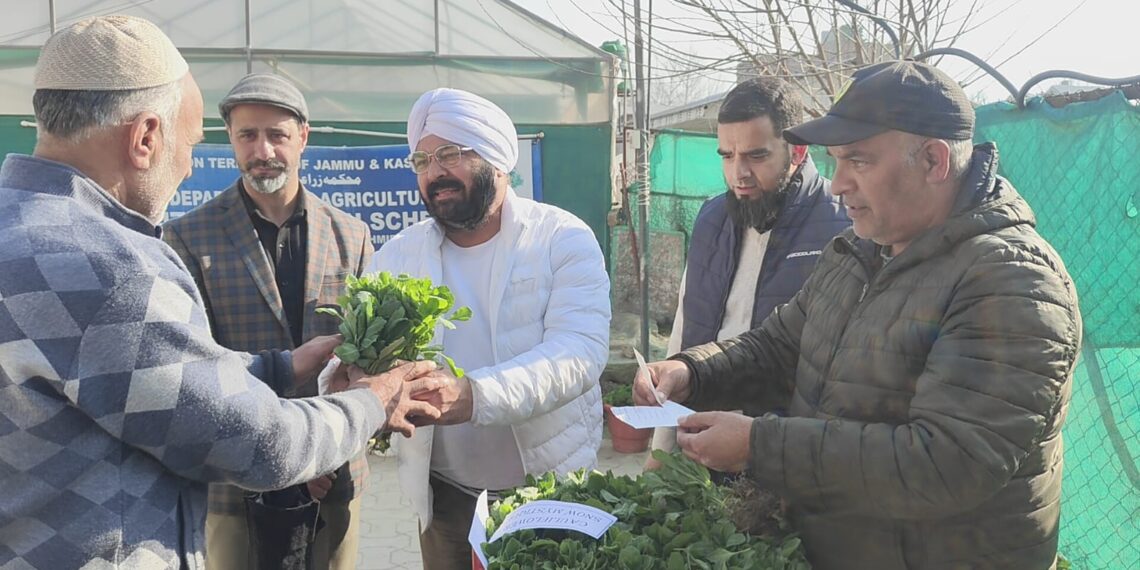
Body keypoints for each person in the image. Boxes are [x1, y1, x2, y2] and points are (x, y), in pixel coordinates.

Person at [0, 15, 441, 569]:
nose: (187, 166)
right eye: (191, 143)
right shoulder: (111, 265)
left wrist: (280, 369)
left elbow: (152, 374)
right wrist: (374, 402)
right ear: (145, 137)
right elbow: (264, 444)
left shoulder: (19, 228)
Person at [634, 61, 1081, 569]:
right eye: (835, 161)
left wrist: (760, 446)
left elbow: (943, 465)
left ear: (934, 161)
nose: (838, 183)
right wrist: (692, 371)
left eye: (858, 162)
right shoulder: (859, 251)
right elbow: (779, 344)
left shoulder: (1012, 281)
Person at [374, 88, 611, 569]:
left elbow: (579, 352)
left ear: (497, 158)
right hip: (445, 499)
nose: (434, 172)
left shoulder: (561, 239)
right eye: (421, 160)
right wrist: (346, 379)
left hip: (545, 490)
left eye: (450, 154)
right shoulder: (399, 254)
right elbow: (365, 354)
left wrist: (472, 396)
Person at [162, 73, 373, 570]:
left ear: (303, 136)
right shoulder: (189, 238)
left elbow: (365, 358)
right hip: (234, 480)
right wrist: (281, 456)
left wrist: (321, 453)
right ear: (230, 141)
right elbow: (196, 368)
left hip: (334, 472)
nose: (263, 150)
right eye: (247, 135)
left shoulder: (351, 235)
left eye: (277, 134)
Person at [646, 78, 849, 471]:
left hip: (788, 465)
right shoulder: (711, 220)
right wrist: (661, 448)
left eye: (756, 156)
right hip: (701, 451)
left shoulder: (844, 226)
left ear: (798, 151)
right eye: (726, 156)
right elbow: (686, 330)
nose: (738, 174)